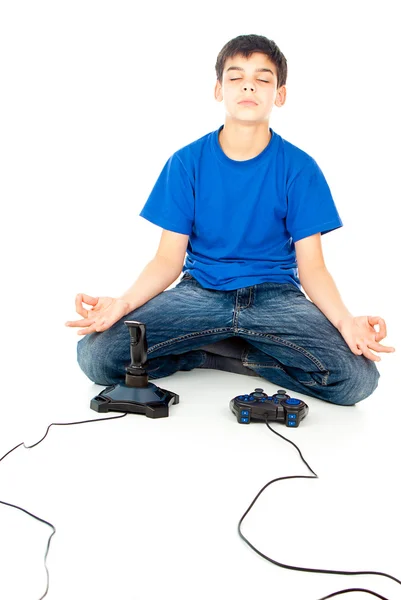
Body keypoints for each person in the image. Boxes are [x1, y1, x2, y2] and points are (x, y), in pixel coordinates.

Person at [65, 34, 395, 406]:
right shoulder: (186, 163)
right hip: (199, 293)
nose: (249, 85)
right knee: (97, 357)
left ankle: (228, 349)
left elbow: (313, 268)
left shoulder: (300, 169)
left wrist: (345, 321)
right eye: (236, 77)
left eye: (263, 78)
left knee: (357, 379)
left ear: (279, 95)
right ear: (219, 89)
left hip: (275, 297)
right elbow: (167, 259)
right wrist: (123, 304)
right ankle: (210, 348)